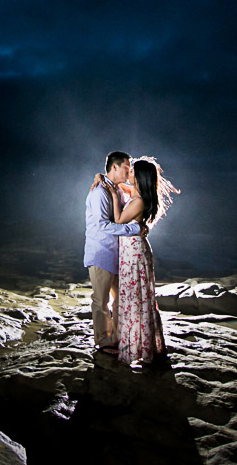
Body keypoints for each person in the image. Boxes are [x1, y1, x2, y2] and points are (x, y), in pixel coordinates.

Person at [102, 157, 178, 364]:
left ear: (140, 176)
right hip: (132, 250)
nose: (129, 171)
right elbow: (121, 185)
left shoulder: (138, 201)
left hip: (133, 252)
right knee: (135, 297)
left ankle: (135, 347)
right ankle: (138, 344)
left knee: (134, 298)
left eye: (132, 170)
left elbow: (118, 220)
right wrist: (104, 180)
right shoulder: (136, 194)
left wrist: (112, 197)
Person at [84, 151, 143, 355]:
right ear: (115, 167)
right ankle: (103, 340)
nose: (129, 171)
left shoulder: (119, 190)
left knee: (120, 299)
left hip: (118, 255)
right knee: (100, 300)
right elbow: (102, 226)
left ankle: (118, 337)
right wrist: (134, 229)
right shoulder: (100, 191)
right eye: (126, 167)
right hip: (101, 252)